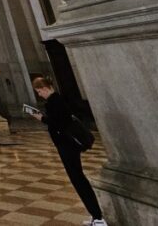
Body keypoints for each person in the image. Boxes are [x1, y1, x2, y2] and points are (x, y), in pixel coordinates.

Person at [31, 76, 106, 226]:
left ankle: (98, 218)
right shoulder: (58, 99)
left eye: (39, 91)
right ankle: (95, 216)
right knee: (77, 178)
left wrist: (41, 118)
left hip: (67, 145)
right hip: (67, 145)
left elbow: (58, 124)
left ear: (45, 88)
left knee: (78, 179)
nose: (39, 94)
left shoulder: (54, 102)